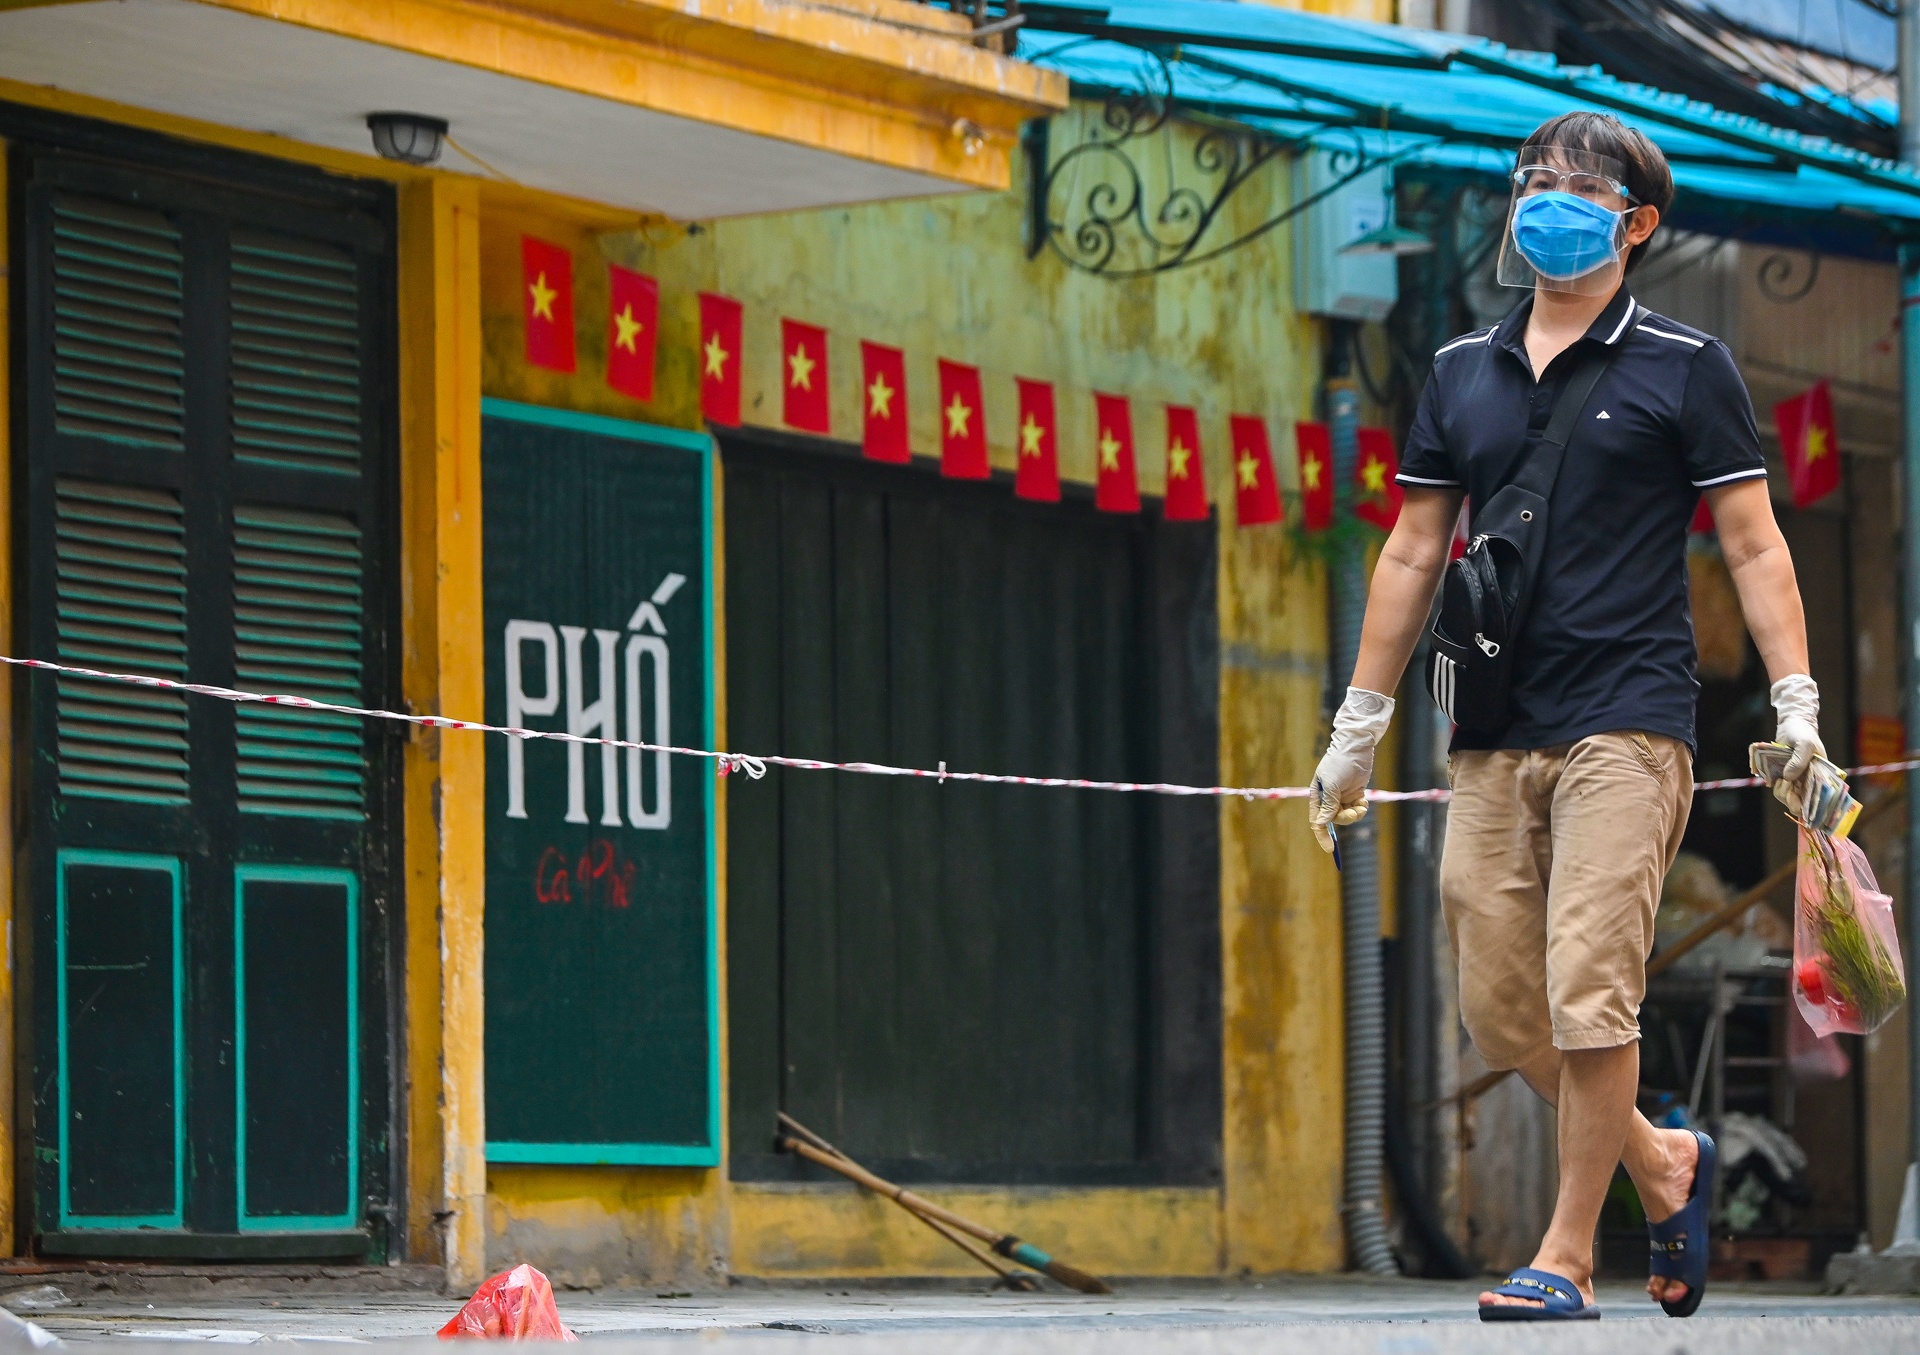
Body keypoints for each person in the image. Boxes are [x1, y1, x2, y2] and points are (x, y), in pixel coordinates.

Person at [1307, 111, 1828, 1321]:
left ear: (1635, 224)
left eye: (1579, 186)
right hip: (1491, 725)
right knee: (1500, 1006)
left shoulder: (1686, 364)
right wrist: (1355, 729)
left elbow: (1751, 545)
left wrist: (1794, 701)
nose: (1546, 197)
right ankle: (1661, 1158)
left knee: (1592, 985)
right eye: (1535, 178)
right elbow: (1409, 553)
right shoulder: (1458, 372)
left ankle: (1569, 1251)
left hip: (1629, 720)